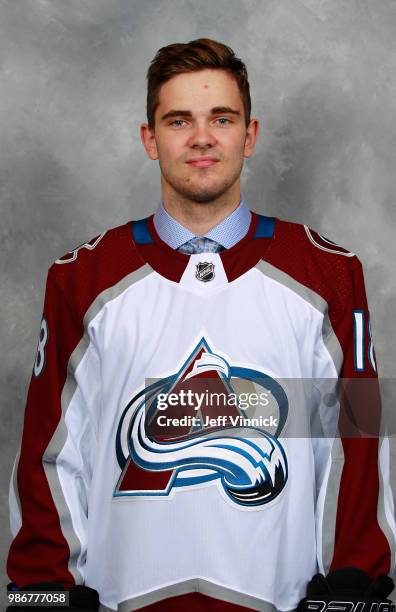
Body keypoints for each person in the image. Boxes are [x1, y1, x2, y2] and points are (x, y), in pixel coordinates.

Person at [6, 38, 396, 612]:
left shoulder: (329, 274)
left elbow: (356, 439)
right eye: (178, 120)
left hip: (278, 598)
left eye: (222, 118)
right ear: (150, 138)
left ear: (250, 134)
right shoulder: (82, 279)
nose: (202, 138)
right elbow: (49, 450)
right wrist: (43, 587)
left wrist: (355, 578)